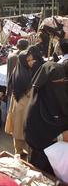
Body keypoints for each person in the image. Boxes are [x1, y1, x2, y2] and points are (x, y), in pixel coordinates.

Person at [24, 39, 68, 174]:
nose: (61, 86)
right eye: (57, 82)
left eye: (64, 82)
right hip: (40, 161)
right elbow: (32, 135)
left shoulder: (63, 98)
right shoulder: (34, 105)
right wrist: (59, 137)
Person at [5, 50, 37, 156]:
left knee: (18, 129)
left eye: (32, 59)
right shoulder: (23, 75)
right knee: (22, 129)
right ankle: (20, 153)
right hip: (23, 104)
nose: (32, 62)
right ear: (23, 61)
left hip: (18, 103)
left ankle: (18, 151)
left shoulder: (20, 70)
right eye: (29, 60)